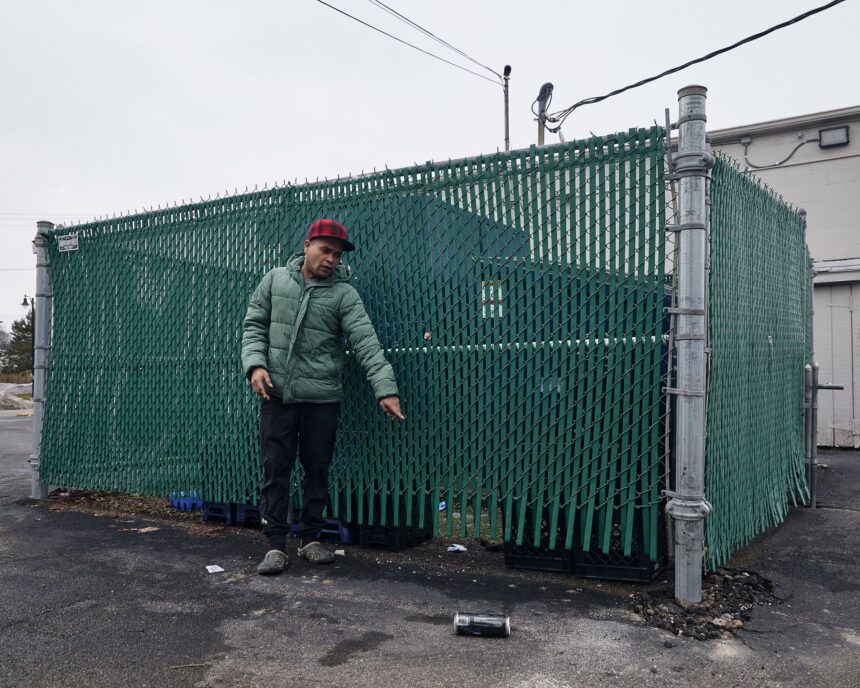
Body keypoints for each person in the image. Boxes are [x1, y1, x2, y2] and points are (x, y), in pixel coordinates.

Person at [241, 219, 404, 575]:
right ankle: (274, 546)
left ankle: (311, 538)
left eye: (337, 254)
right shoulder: (274, 280)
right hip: (277, 396)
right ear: (307, 245)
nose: (331, 259)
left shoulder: (344, 294)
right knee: (275, 468)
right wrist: (255, 366)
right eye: (325, 250)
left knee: (317, 470)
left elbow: (365, 342)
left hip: (322, 399)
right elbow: (254, 325)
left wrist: (385, 389)